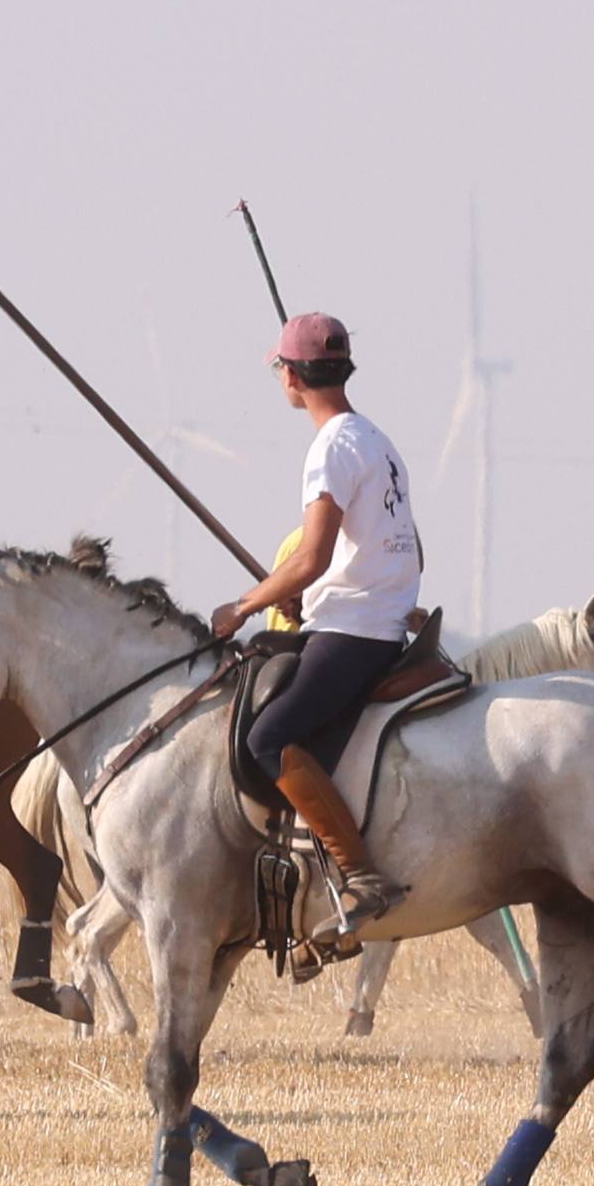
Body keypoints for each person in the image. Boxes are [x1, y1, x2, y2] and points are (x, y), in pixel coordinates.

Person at [209, 313, 418, 937]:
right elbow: (399, 548)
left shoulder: (328, 449)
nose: (281, 379)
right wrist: (316, 594)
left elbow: (311, 557)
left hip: (355, 632)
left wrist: (243, 607)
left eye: (281, 368)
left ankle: (359, 874)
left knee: (265, 738)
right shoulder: (379, 441)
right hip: (375, 620)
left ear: (293, 377)